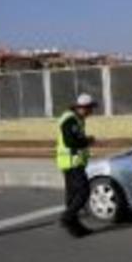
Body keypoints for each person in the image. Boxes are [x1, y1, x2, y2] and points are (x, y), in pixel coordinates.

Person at [56, 93, 97, 238]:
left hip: (73, 162)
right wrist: (88, 141)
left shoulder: (77, 120)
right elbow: (70, 142)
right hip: (71, 163)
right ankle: (67, 217)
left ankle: (75, 228)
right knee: (84, 192)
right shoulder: (70, 120)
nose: (91, 112)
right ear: (82, 108)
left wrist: (85, 140)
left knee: (72, 197)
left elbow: (75, 139)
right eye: (90, 109)